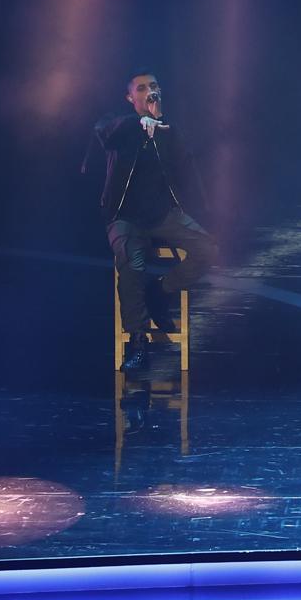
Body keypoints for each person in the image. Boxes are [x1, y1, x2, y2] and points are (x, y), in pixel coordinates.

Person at [85, 70, 219, 375]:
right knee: (132, 261)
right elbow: (105, 134)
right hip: (124, 216)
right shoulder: (116, 123)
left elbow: (186, 165)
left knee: (208, 249)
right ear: (130, 97)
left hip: (162, 215)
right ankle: (138, 341)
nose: (150, 92)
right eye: (142, 88)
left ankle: (160, 292)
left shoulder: (168, 129)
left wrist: (160, 125)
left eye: (154, 86)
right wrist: (138, 122)